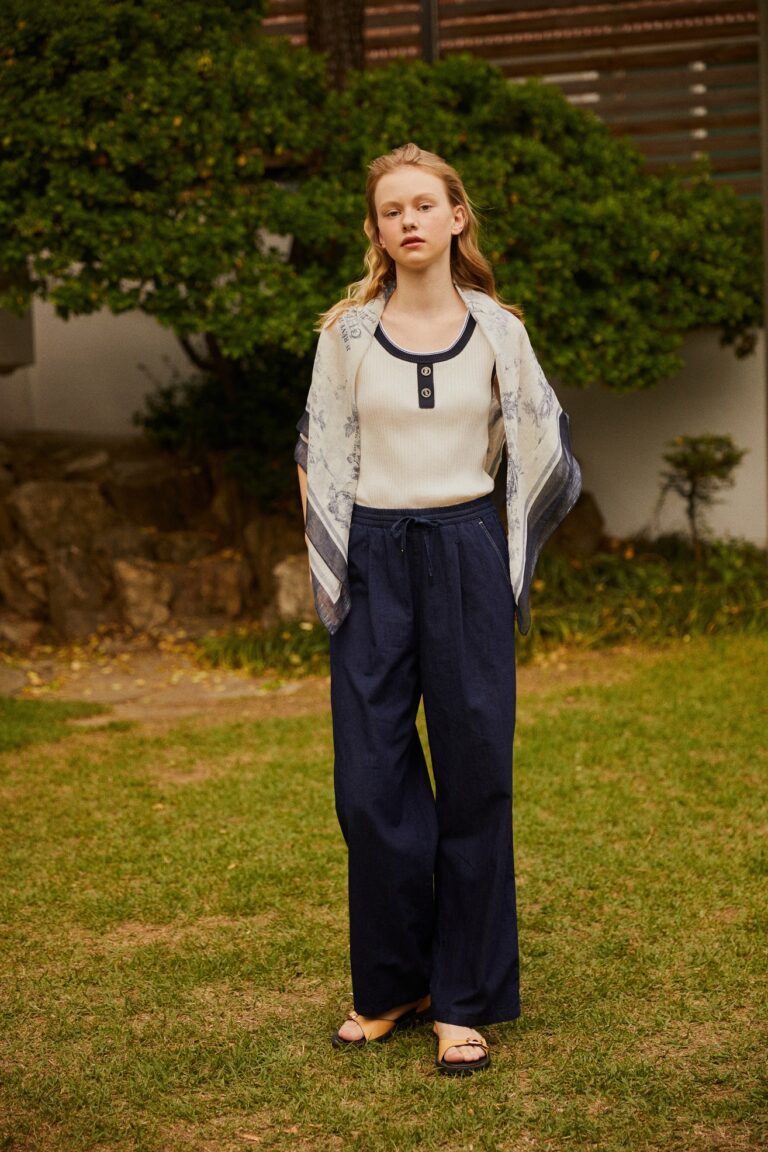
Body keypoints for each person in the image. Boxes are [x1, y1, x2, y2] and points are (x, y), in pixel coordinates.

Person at [294, 142, 581, 1076]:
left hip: (463, 550)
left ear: (457, 217)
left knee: (474, 777)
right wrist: (335, 562)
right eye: (391, 210)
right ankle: (392, 983)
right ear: (376, 230)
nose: (408, 221)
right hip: (373, 558)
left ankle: (464, 999)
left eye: (424, 204)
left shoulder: (500, 331)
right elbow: (317, 451)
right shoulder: (345, 336)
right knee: (369, 786)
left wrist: (502, 552)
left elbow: (538, 444)